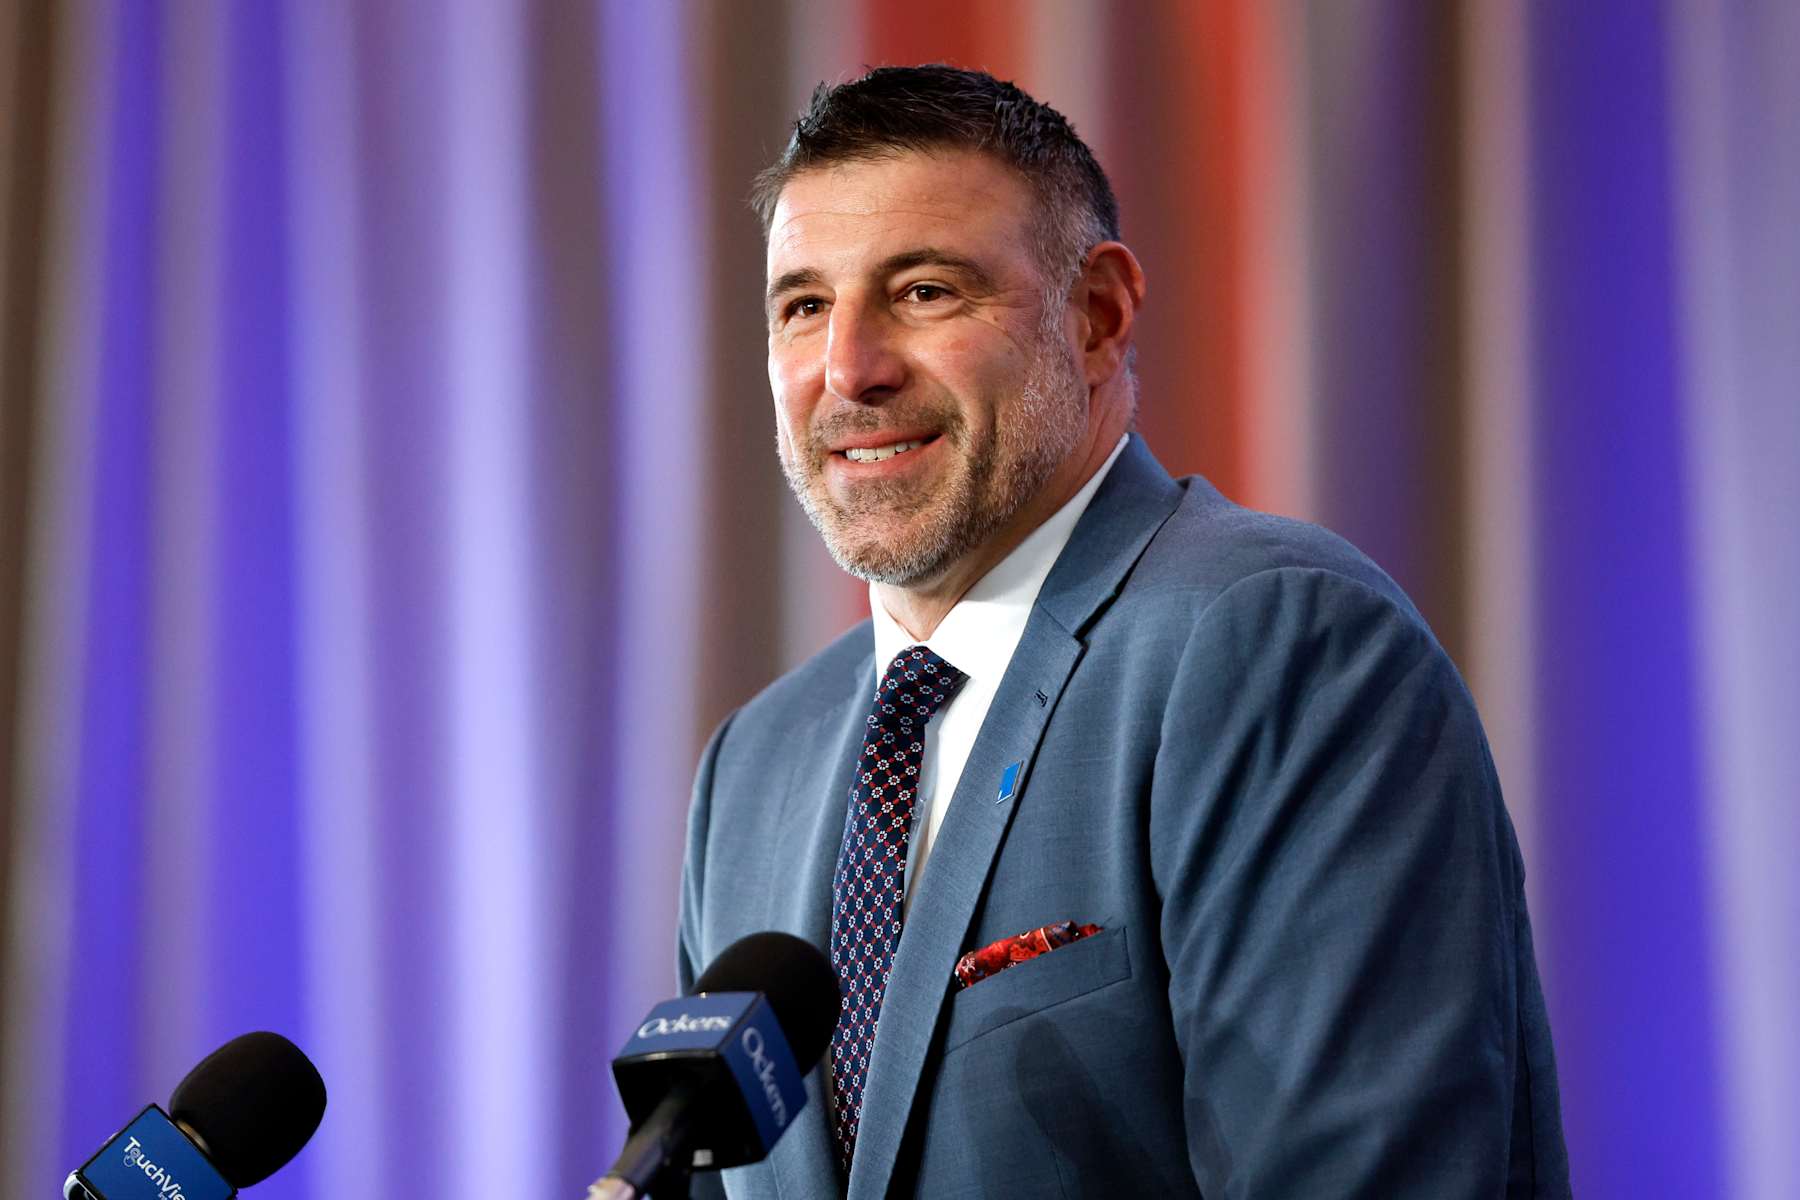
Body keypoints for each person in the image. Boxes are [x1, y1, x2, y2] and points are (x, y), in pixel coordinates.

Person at [677, 65, 1569, 1199]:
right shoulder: (754, 766)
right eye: (804, 305)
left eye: (925, 291)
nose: (848, 368)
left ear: (1095, 316)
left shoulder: (1278, 645)